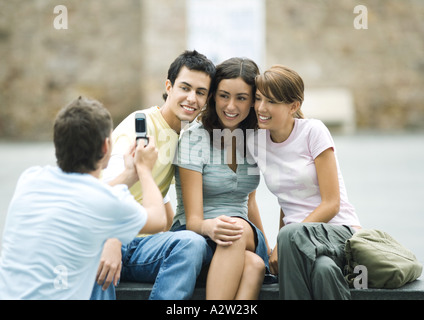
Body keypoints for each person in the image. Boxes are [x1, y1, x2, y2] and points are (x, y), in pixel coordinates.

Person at [0, 97, 166, 299]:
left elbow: (81, 195)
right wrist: (145, 169)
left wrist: (128, 176)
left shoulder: (30, 179)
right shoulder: (106, 202)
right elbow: (158, 219)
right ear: (106, 147)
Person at [90, 50, 216, 300]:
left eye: (200, 92)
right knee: (191, 243)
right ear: (168, 86)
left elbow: (158, 191)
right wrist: (113, 241)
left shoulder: (182, 134)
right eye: (185, 88)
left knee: (193, 243)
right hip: (111, 241)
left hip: (141, 246)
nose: (192, 98)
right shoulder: (142, 126)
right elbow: (106, 189)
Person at [247, 65, 362, 300]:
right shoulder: (255, 142)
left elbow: (332, 204)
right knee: (324, 270)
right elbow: (287, 199)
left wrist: (284, 241)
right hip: (297, 243)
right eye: (258, 99)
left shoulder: (313, 131)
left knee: (290, 237)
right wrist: (272, 245)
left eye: (271, 101)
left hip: (339, 232)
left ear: (293, 106)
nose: (261, 108)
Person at [172, 57, 270, 300]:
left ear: (253, 100)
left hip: (241, 234)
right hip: (196, 235)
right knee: (253, 266)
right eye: (224, 95)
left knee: (238, 235)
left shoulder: (255, 139)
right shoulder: (195, 139)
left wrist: (268, 248)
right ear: (214, 95)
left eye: (241, 98)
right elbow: (193, 219)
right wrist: (211, 226)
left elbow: (249, 202)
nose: (231, 106)